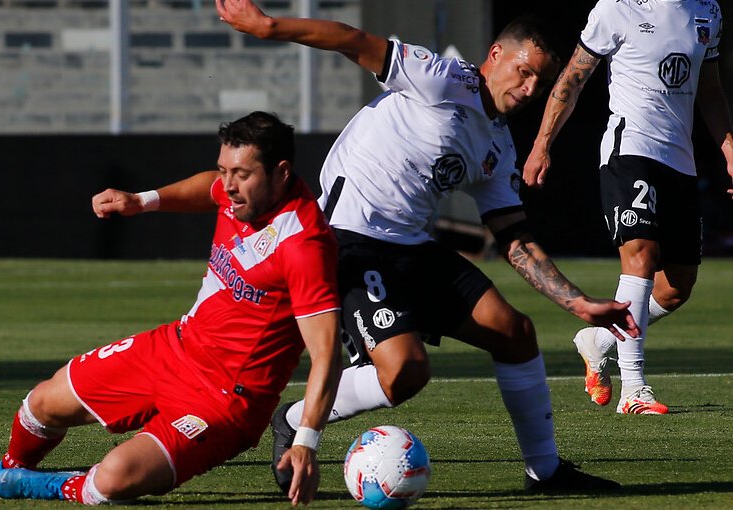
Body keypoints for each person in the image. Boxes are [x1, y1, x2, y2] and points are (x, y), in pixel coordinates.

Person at [217, 0, 639, 494]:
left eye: (539, 84)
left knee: (515, 332)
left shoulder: (498, 145)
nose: (527, 91)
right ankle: (294, 418)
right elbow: (353, 40)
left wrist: (576, 301)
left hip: (412, 247)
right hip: (349, 239)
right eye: (523, 73)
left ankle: (545, 472)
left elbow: (514, 237)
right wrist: (268, 26)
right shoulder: (443, 78)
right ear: (495, 54)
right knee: (406, 373)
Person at [0, 111, 343, 506]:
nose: (229, 185)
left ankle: (40, 485)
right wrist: (141, 200)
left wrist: (307, 442)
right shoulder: (237, 195)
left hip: (223, 401)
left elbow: (326, 355)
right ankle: (8, 468)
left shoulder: (303, 244)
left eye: (242, 174)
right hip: (175, 348)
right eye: (224, 170)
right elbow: (209, 189)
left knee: (114, 479)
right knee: (41, 404)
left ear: (282, 172)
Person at [523, 0, 732, 414]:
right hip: (630, 149)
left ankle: (599, 340)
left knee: (675, 288)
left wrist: (729, 148)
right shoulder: (616, 9)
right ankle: (633, 389)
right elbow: (573, 79)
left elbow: (709, 89)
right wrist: (541, 143)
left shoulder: (707, 11)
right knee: (641, 255)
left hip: (680, 161)